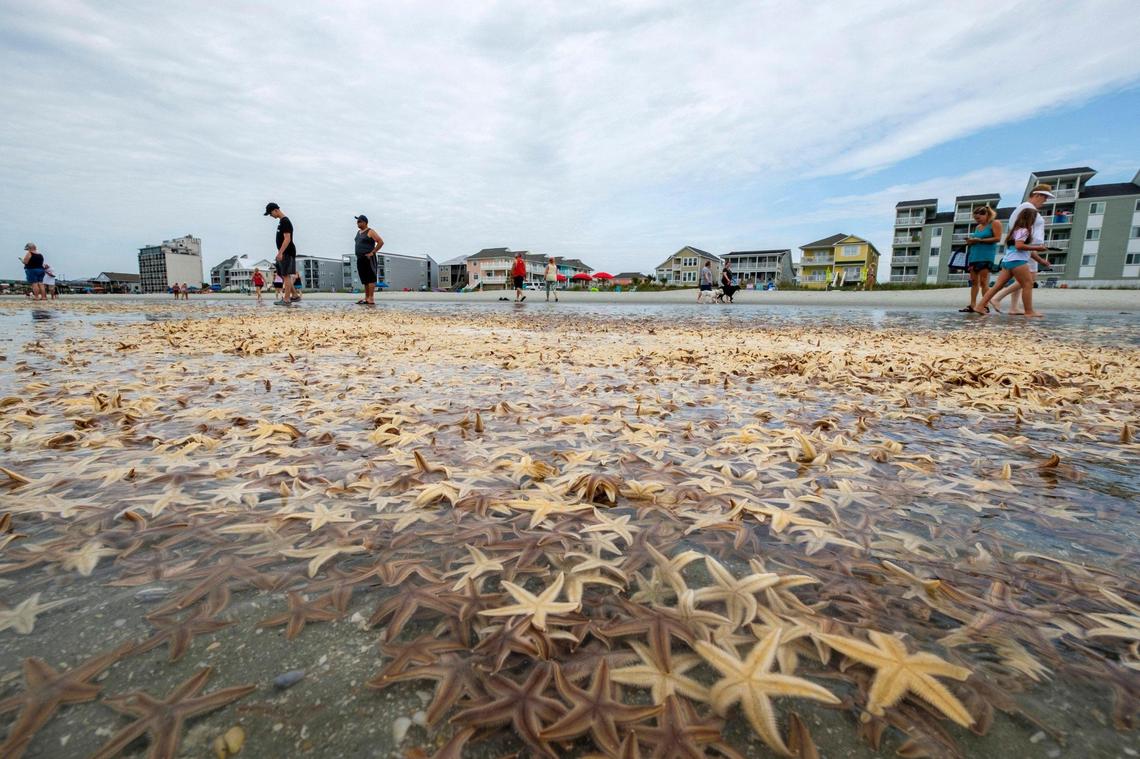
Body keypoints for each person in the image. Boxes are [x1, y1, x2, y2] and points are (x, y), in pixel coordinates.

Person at [973, 208, 1049, 317]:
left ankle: (980, 306)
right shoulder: (1024, 230)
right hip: (1017, 261)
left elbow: (1026, 250)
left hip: (1007, 261)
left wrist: (1041, 261)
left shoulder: (1015, 230)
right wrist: (1038, 247)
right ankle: (1029, 311)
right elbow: (1019, 246)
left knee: (997, 286)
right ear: (1031, 219)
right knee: (1028, 284)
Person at [960, 206, 1002, 312]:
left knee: (984, 282)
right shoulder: (978, 227)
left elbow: (998, 238)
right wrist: (970, 241)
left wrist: (979, 240)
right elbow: (977, 240)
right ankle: (972, 305)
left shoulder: (995, 223)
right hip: (974, 255)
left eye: (978, 218)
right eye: (975, 218)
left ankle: (985, 305)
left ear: (986, 215)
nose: (977, 220)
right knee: (974, 282)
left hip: (986, 256)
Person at [264, 202, 297, 306]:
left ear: (276, 210)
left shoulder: (285, 221)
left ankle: (286, 299)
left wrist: (280, 253)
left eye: (270, 213)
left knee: (285, 275)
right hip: (284, 252)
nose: (270, 215)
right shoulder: (281, 222)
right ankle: (295, 295)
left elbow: (287, 239)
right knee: (282, 274)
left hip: (286, 252)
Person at [354, 215, 384, 305]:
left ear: (365, 222)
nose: (357, 223)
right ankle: (366, 297)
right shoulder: (358, 232)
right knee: (365, 279)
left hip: (368, 258)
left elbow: (380, 242)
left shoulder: (370, 231)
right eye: (357, 221)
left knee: (371, 278)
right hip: (360, 258)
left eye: (359, 221)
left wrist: (372, 252)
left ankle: (371, 298)